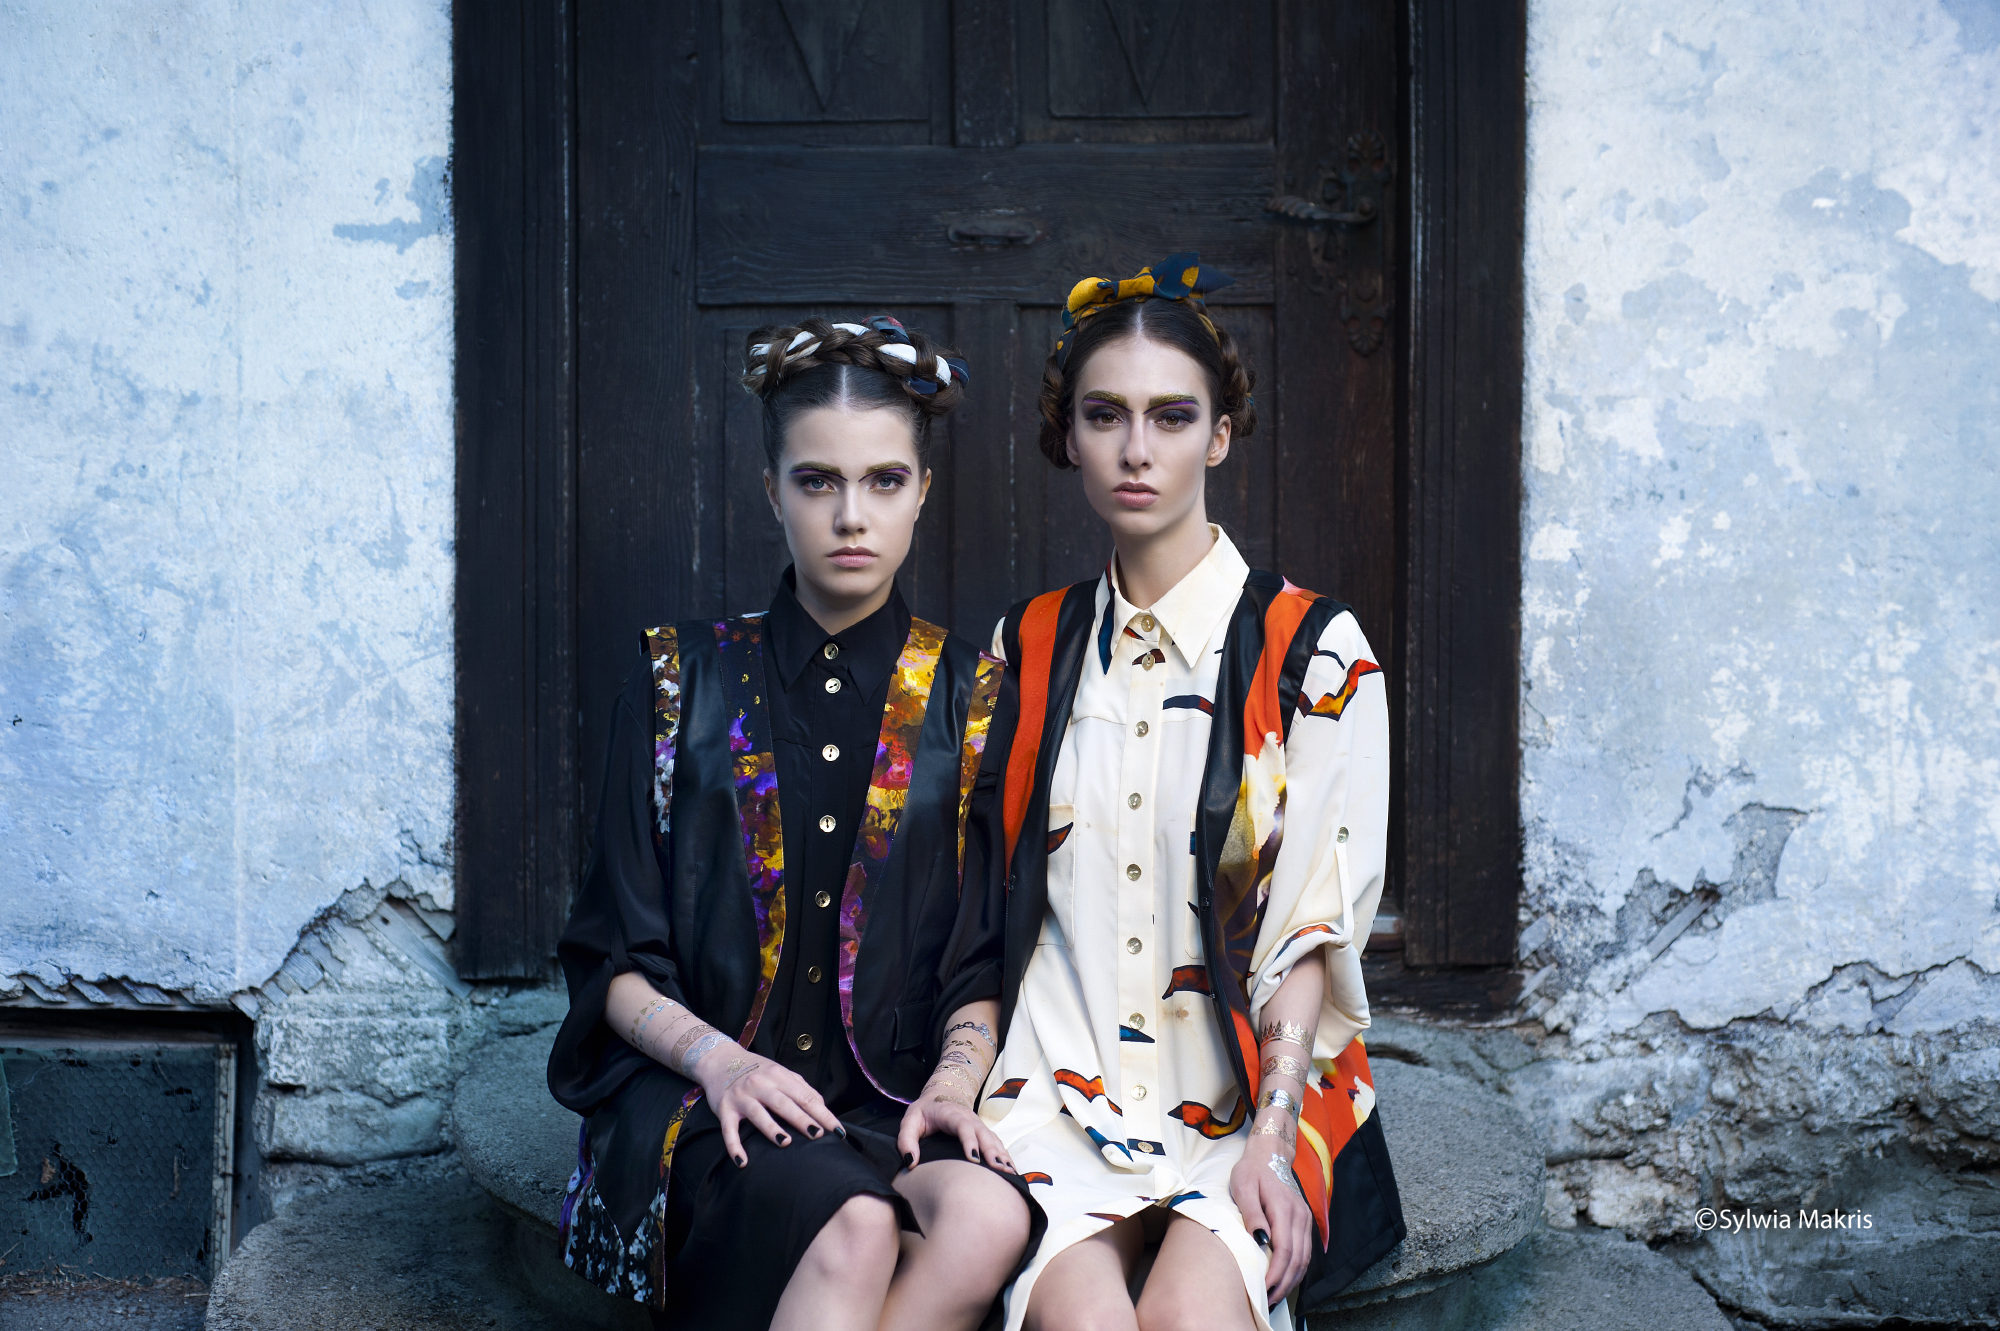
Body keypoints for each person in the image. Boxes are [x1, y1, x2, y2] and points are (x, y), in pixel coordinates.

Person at [936, 258, 1406, 1331]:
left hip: (1245, 1096)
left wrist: (1274, 1140)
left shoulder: (1312, 653)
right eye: (1104, 416)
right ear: (1070, 438)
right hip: (1055, 1092)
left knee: (1194, 1317)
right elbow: (990, 903)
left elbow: (1309, 929)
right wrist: (955, 1081)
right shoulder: (1028, 647)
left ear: (1220, 435)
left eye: (1170, 415)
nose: (1136, 449)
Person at [547, 315, 1039, 1331]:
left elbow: (978, 960)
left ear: (921, 494)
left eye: (883, 481)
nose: (849, 515)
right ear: (770, 491)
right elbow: (612, 956)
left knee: (987, 1217)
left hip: (884, 1100)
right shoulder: (676, 678)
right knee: (855, 1226)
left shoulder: (975, 699)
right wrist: (721, 1060)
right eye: (817, 481)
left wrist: (953, 1083)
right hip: (706, 1096)